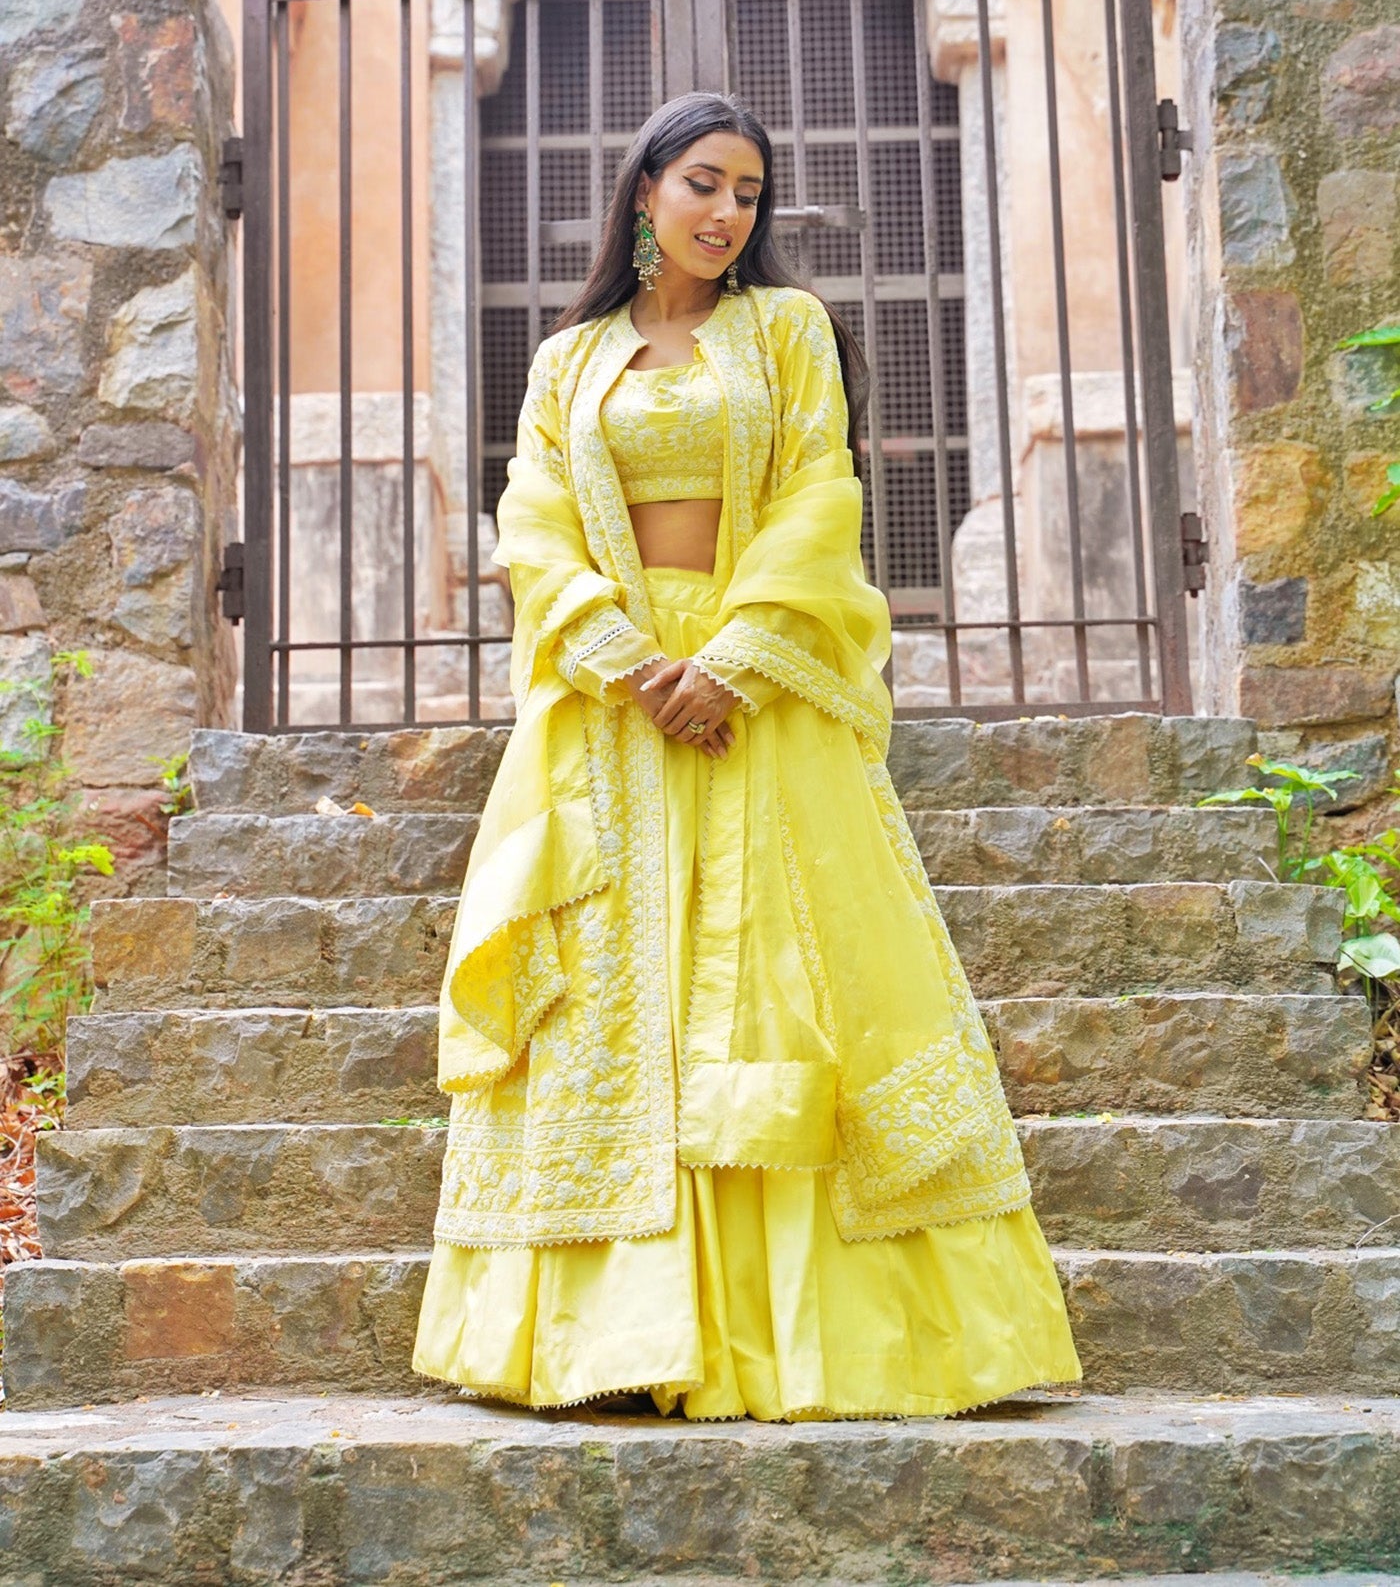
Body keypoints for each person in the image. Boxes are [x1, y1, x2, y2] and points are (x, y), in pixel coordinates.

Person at [413, 91, 1080, 1419]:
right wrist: (615, 652)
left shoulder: (787, 332)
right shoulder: (570, 362)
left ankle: (811, 1338)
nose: (728, 215)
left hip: (754, 688)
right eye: (706, 185)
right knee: (605, 989)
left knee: (782, 976)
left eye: (752, 195)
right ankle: (609, 1337)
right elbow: (532, 519)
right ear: (646, 189)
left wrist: (732, 659)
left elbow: (820, 493)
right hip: (611, 702)